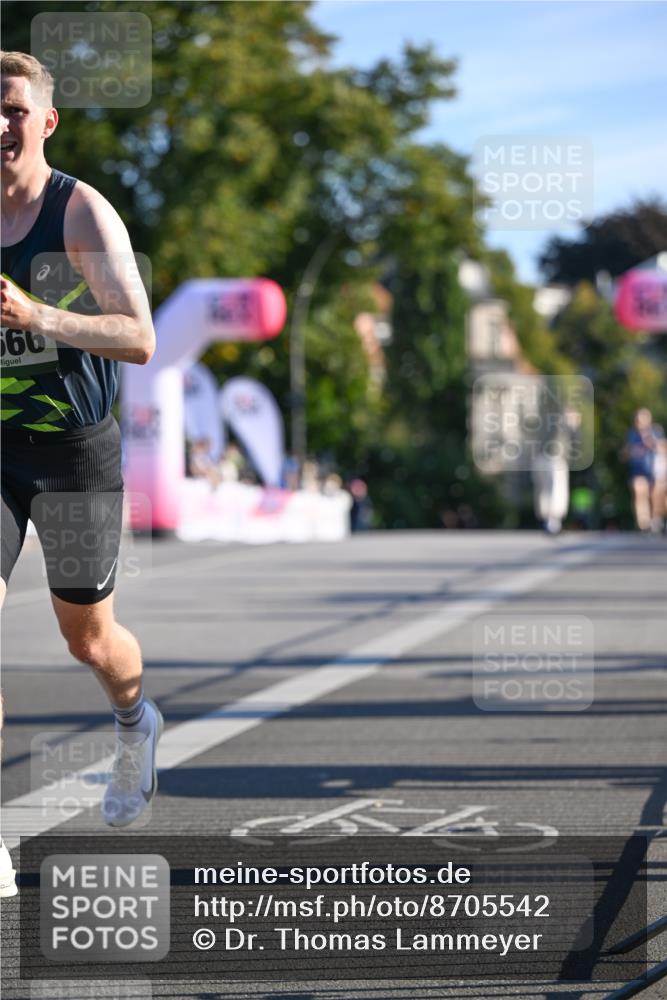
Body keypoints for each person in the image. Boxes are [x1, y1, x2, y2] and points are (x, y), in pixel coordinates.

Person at [0, 52, 162, 896]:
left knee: (87, 639)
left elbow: (139, 338)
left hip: (72, 452)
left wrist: (37, 315)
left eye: (13, 110)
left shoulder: (79, 212)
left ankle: (135, 722)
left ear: (45, 122)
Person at [623, 408, 663, 532]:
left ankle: (656, 519)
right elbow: (625, 454)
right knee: (640, 491)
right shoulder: (632, 435)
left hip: (655, 472)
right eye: (638, 421)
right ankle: (644, 523)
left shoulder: (656, 432)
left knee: (656, 496)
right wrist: (629, 451)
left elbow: (662, 449)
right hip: (638, 471)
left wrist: (651, 442)